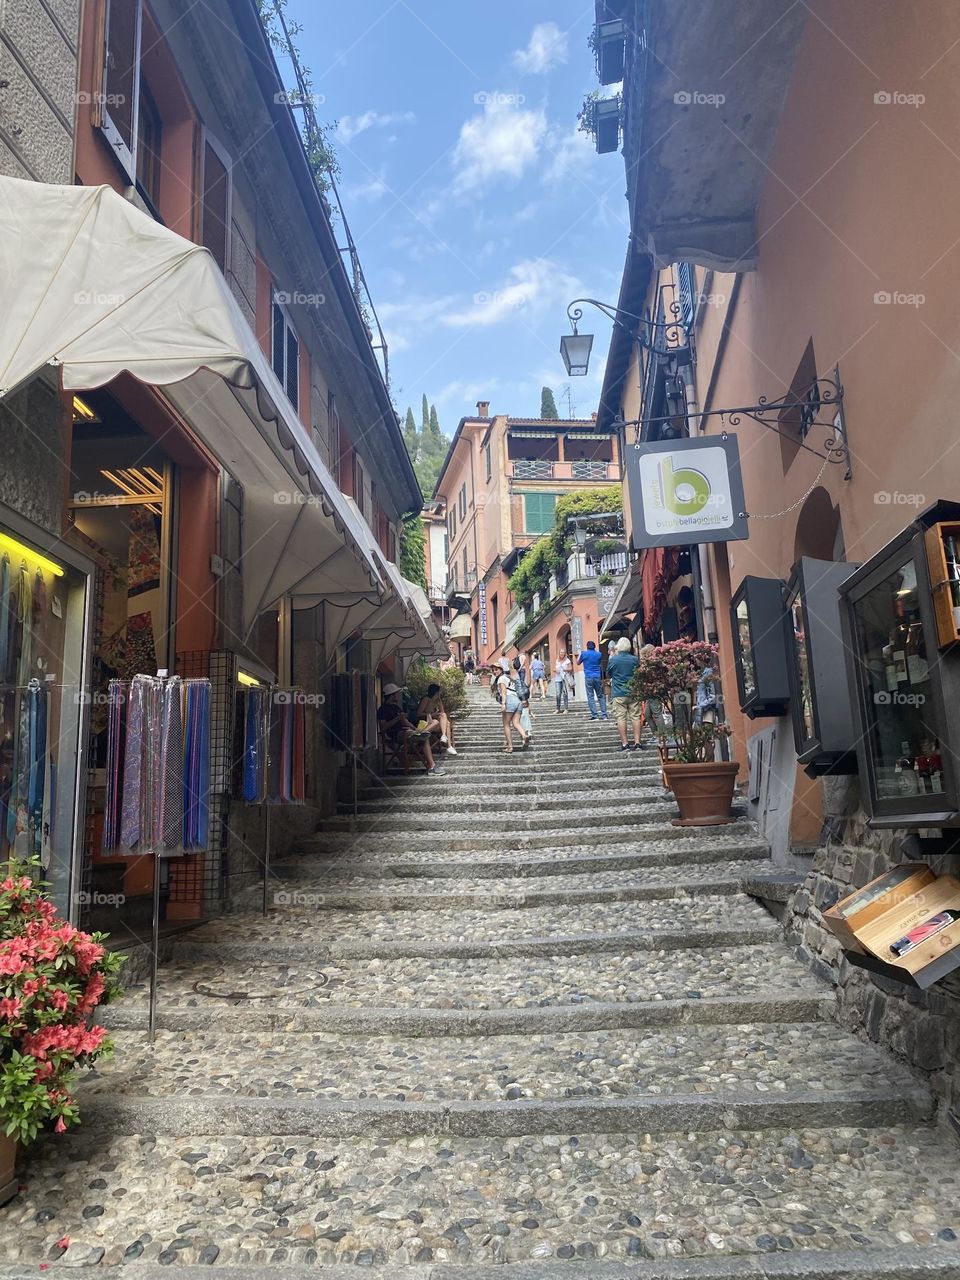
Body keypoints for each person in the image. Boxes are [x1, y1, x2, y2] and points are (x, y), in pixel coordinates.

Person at [377, 683, 439, 774]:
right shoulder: (382, 709)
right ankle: (432, 765)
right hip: (395, 734)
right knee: (421, 736)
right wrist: (397, 719)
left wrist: (414, 728)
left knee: (429, 730)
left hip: (407, 731)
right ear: (391, 695)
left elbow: (405, 721)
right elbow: (383, 727)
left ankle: (431, 765)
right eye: (396, 693)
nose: (398, 695)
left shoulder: (396, 707)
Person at [608, 636, 646, 751]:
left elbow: (609, 673)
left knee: (621, 718)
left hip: (619, 692)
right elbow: (640, 673)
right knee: (635, 717)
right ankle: (637, 742)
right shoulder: (634, 659)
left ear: (618, 647)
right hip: (633, 692)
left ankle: (625, 744)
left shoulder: (613, 660)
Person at [416, 682, 458, 756]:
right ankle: (449, 746)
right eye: (439, 692)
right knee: (447, 723)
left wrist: (440, 702)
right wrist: (432, 714)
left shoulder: (437, 701)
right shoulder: (426, 699)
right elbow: (419, 713)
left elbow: (442, 712)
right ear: (435, 692)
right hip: (426, 722)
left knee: (445, 719)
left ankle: (444, 737)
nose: (440, 693)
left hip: (435, 721)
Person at [495, 663, 530, 752]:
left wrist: (503, 704)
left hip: (510, 700)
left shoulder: (501, 678)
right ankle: (524, 735)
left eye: (496, 669)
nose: (494, 671)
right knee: (516, 723)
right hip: (518, 701)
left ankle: (510, 747)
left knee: (506, 724)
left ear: (501, 670)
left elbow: (504, 692)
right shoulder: (509, 678)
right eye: (493, 670)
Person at [577, 640, 609, 721]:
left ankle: (595, 715)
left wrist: (580, 653)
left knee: (590, 696)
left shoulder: (584, 653)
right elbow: (599, 662)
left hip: (588, 676)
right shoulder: (599, 654)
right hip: (597, 676)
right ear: (594, 646)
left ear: (587, 646)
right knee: (601, 696)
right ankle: (604, 715)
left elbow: (578, 662)